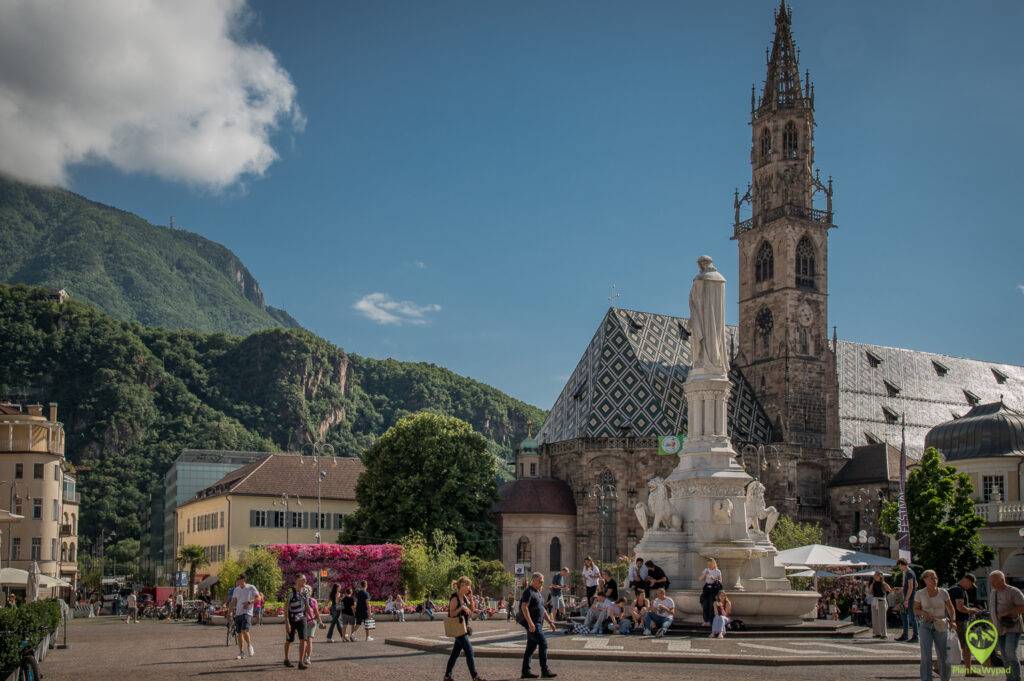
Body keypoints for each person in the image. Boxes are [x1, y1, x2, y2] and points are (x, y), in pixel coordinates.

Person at [913, 569, 955, 681]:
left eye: (935, 577)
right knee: (926, 655)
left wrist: (953, 621)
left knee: (944, 655)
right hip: (925, 625)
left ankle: (946, 679)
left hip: (941, 624)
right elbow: (915, 609)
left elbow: (950, 608)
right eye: (931, 578)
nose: (934, 580)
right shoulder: (920, 593)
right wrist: (923, 612)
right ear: (925, 579)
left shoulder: (943, 592)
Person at [444, 576, 487, 681]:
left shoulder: (465, 597)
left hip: (464, 628)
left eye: (469, 585)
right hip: (458, 629)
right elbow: (451, 614)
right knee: (469, 651)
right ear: (462, 585)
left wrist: (471, 597)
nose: (469, 587)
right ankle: (475, 677)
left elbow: (472, 610)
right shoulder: (454, 598)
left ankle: (447, 676)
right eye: (468, 585)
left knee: (455, 653)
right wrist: (461, 607)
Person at [520, 572, 557, 679]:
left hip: (538, 623)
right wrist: (530, 623)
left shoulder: (538, 592)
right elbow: (524, 607)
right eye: (540, 580)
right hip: (534, 624)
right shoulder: (528, 591)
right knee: (543, 643)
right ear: (534, 580)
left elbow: (543, 609)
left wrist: (550, 622)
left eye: (542, 581)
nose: (542, 583)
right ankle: (544, 670)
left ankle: (525, 671)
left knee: (530, 648)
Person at [988, 570, 1023, 681]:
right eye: (991, 581)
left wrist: (1006, 613)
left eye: (994, 581)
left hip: (1012, 627)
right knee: (1003, 656)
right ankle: (1010, 678)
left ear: (1002, 580)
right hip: (998, 628)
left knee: (1010, 653)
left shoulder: (1014, 591)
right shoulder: (993, 592)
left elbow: (1022, 607)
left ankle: (1016, 678)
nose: (992, 584)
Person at [948, 574, 982, 677]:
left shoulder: (954, 588)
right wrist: (972, 610)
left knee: (952, 646)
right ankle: (968, 670)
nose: (970, 587)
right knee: (966, 647)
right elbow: (960, 607)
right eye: (971, 584)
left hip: (955, 621)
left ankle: (938, 666)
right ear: (966, 580)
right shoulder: (958, 590)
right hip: (959, 621)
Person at [229, 573, 260, 661]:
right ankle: (241, 652)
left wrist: (249, 602)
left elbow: (259, 598)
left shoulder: (251, 587)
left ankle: (250, 646)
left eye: (239, 579)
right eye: (237, 579)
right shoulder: (236, 589)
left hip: (247, 612)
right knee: (239, 633)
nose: (237, 581)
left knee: (244, 630)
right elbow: (234, 601)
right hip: (238, 613)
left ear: (243, 580)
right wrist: (229, 612)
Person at [284, 575, 311, 669]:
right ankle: (286, 659)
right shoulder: (291, 592)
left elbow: (307, 606)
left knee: (303, 639)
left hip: (302, 618)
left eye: (305, 579)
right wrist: (287, 622)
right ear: (297, 580)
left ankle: (300, 662)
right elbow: (286, 607)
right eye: (303, 579)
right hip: (292, 618)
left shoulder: (306, 591)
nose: (305, 580)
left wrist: (311, 618)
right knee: (289, 640)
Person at [896, 558, 919, 643]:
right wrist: (902, 589)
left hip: (909, 599)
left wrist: (906, 599)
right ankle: (905, 635)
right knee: (904, 616)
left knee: (912, 617)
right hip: (909, 597)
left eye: (899, 566)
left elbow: (911, 587)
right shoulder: (911, 572)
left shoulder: (909, 573)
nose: (899, 568)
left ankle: (915, 636)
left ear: (902, 565)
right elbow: (916, 584)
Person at [303, 585, 324, 666]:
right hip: (303, 622)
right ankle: (304, 656)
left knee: (309, 640)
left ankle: (308, 657)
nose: (306, 591)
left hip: (311, 622)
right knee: (304, 641)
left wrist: (320, 622)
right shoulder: (302, 600)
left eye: (307, 590)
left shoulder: (313, 601)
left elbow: (316, 612)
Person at [869, 571, 893, 639]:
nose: (875, 576)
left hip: (881, 600)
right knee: (874, 618)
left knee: (882, 618)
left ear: (880, 576)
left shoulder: (884, 583)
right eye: (874, 575)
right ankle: (877, 633)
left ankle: (884, 634)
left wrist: (886, 595)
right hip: (874, 600)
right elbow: (870, 592)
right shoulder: (873, 584)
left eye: (876, 575)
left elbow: (890, 590)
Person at [699, 558, 723, 627]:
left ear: (714, 564)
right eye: (708, 564)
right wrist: (704, 575)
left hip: (714, 589)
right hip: (707, 588)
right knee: (705, 604)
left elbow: (720, 582)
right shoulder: (706, 570)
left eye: (711, 564)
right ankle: (705, 620)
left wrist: (714, 579)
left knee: (711, 605)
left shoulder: (718, 571)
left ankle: (710, 621)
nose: (709, 565)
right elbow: (700, 579)